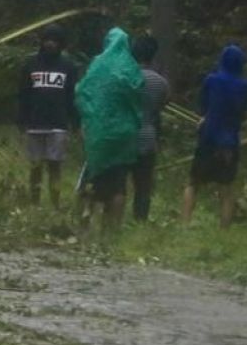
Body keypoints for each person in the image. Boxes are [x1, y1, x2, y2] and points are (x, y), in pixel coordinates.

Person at [74, 27, 143, 234]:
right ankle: (113, 227)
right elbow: (137, 96)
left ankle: (86, 214)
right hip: (123, 133)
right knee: (119, 181)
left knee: (94, 173)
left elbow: (81, 92)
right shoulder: (131, 67)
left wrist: (88, 118)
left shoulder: (97, 64)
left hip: (99, 132)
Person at [182, 44, 247, 228]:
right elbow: (243, 112)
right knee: (226, 188)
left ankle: (185, 222)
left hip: (209, 137)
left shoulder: (212, 80)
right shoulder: (246, 86)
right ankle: (224, 229)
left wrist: (205, 118)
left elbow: (203, 106)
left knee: (193, 183)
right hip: (230, 141)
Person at [17, 24, 78, 208]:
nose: (50, 44)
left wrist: (75, 121)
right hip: (35, 123)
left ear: (61, 44)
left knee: (55, 166)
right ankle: (34, 202)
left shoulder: (68, 67)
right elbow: (23, 94)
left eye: (55, 41)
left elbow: (71, 96)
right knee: (35, 166)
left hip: (58, 124)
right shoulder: (30, 65)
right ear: (42, 42)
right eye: (47, 40)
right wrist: (21, 119)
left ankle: (55, 203)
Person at [130, 34, 170, 221]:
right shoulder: (160, 83)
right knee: (144, 185)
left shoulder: (125, 77)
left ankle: (113, 217)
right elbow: (160, 107)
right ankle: (140, 220)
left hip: (125, 135)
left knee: (119, 181)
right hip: (147, 136)